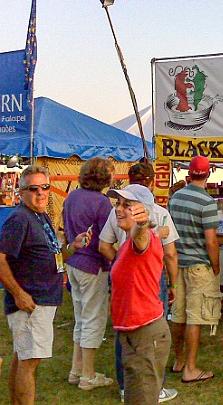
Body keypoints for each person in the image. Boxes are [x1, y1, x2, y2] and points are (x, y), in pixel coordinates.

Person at [0, 166, 90, 404]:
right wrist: (18, 294)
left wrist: (73, 247)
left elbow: (53, 254)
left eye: (45, 187)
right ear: (21, 192)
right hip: (31, 303)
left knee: (23, 357)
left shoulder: (40, 215)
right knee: (29, 362)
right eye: (33, 188)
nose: (40, 193)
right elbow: (0, 259)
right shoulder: (19, 219)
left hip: (41, 300)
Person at [99, 162, 179, 403]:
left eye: (127, 205)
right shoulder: (124, 246)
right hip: (130, 332)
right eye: (118, 204)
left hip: (146, 334)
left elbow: (141, 237)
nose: (119, 210)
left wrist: (142, 224)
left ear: (143, 210)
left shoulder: (141, 240)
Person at [63, 157, 115, 390]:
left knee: (81, 318)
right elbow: (106, 239)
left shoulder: (72, 196)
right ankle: (88, 375)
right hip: (93, 265)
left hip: (73, 263)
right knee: (94, 319)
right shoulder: (102, 203)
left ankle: (77, 370)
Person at [168, 156, 221, 383]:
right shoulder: (207, 202)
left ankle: (179, 360)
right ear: (208, 174)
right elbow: (211, 241)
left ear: (189, 173)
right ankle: (190, 367)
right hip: (199, 265)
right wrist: (216, 266)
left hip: (177, 263)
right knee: (194, 317)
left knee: (178, 315)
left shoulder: (175, 198)